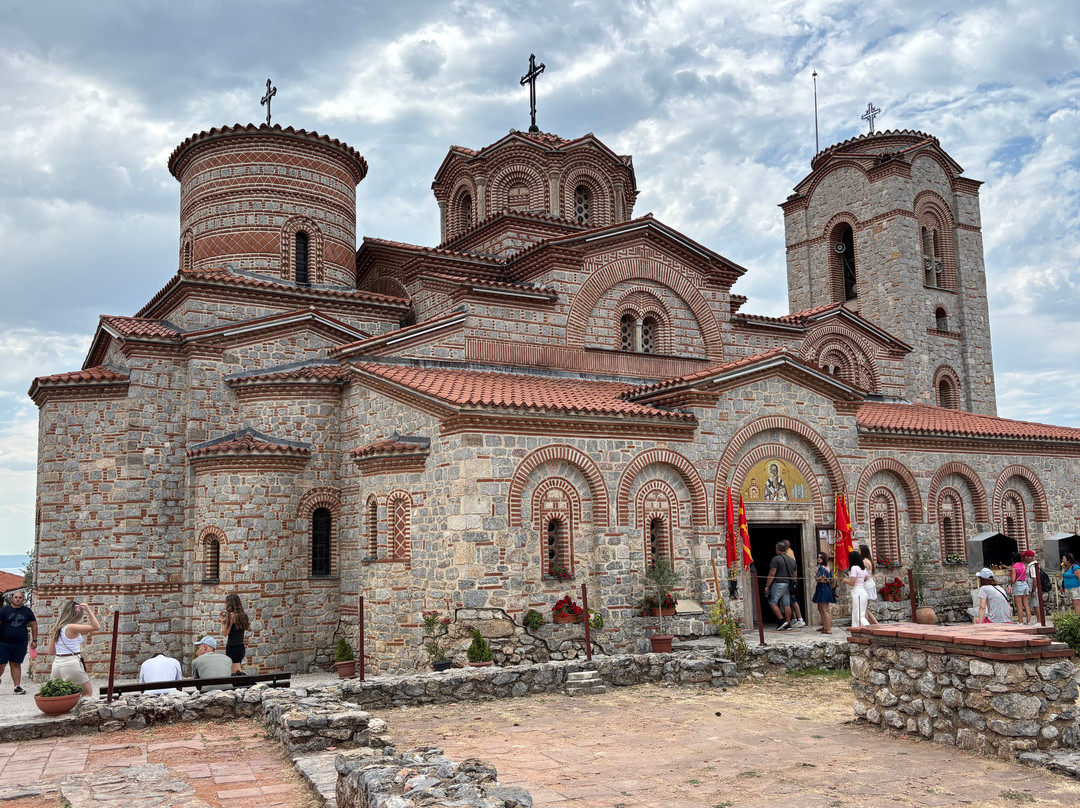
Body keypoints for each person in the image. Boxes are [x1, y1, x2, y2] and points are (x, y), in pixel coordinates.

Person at [46, 600, 101, 698]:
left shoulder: (56, 628)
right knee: (87, 692)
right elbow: (96, 627)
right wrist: (89, 610)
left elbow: (51, 652)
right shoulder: (72, 627)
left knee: (60, 695)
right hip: (71, 662)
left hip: (57, 664)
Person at [0, 591, 38, 694]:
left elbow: (34, 625)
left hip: (20, 643)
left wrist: (34, 640)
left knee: (16, 664)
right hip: (3, 643)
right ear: (12, 598)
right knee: (1, 664)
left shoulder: (27, 611)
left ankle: (17, 687)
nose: (17, 599)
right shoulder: (4, 610)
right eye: (16, 597)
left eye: (20, 597)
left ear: (23, 599)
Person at [764, 541, 796, 630]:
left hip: (778, 583)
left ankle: (781, 620)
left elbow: (772, 573)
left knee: (772, 602)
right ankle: (788, 623)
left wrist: (767, 585)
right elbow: (794, 573)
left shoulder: (776, 559)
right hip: (788, 583)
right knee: (786, 604)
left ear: (777, 549)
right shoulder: (791, 560)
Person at [221, 593, 251, 675]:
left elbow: (225, 633)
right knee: (238, 668)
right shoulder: (244, 616)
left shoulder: (231, 616)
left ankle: (239, 686)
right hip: (241, 646)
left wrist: (223, 623)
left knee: (235, 672)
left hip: (232, 646)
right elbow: (247, 628)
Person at [781, 542, 806, 627]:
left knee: (793, 601)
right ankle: (794, 619)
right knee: (790, 601)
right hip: (792, 580)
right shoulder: (791, 553)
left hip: (789, 581)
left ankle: (800, 619)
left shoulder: (788, 555)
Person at [843, 551, 870, 629]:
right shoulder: (863, 568)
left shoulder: (854, 568)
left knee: (858, 614)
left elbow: (852, 583)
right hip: (863, 590)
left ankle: (867, 628)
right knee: (860, 612)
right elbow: (866, 578)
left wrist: (845, 580)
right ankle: (858, 629)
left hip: (857, 591)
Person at [812, 552, 836, 634]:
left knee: (825, 610)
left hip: (823, 588)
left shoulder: (823, 568)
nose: (819, 558)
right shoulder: (825, 567)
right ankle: (825, 626)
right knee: (820, 608)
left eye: (821, 557)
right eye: (818, 557)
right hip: (821, 588)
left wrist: (815, 576)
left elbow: (822, 579)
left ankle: (828, 629)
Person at [1008, 551, 1032, 625]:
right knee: (1026, 605)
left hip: (1018, 585)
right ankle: (1028, 621)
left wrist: (1009, 581)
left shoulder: (1014, 567)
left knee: (1019, 606)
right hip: (1025, 584)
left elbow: (1013, 579)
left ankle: (1020, 622)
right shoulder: (1023, 565)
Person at [858, 544, 880, 625]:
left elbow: (864, 575)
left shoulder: (864, 561)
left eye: (859, 550)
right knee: (866, 607)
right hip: (870, 583)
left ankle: (866, 624)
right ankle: (876, 623)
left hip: (866, 584)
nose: (858, 552)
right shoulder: (871, 561)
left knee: (864, 607)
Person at [1023, 550, 1040, 622]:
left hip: (1033, 588)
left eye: (1025, 557)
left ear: (1028, 557)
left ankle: (1039, 620)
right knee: (1034, 604)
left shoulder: (1033, 566)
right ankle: (1039, 620)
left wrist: (1033, 590)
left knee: (1036, 605)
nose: (1024, 558)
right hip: (1031, 588)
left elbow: (1035, 579)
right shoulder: (1031, 565)